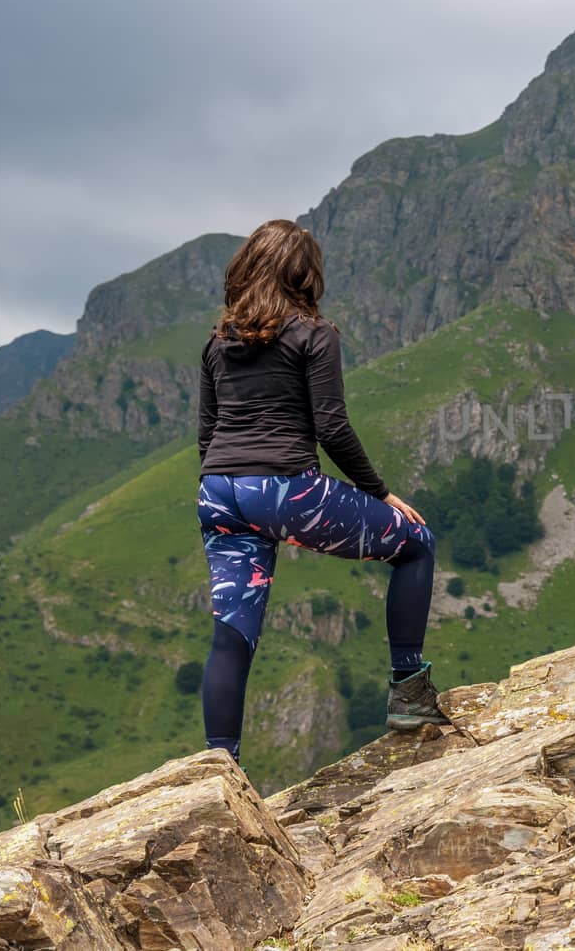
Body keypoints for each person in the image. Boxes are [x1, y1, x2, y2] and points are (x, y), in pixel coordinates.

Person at [194, 218, 446, 768]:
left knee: (233, 631)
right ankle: (410, 695)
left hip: (218, 491)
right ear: (304, 275)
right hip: (284, 487)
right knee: (417, 541)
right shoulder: (313, 333)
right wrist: (380, 493)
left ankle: (218, 769)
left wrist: (237, 498)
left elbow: (207, 435)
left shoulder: (218, 344)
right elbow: (331, 427)